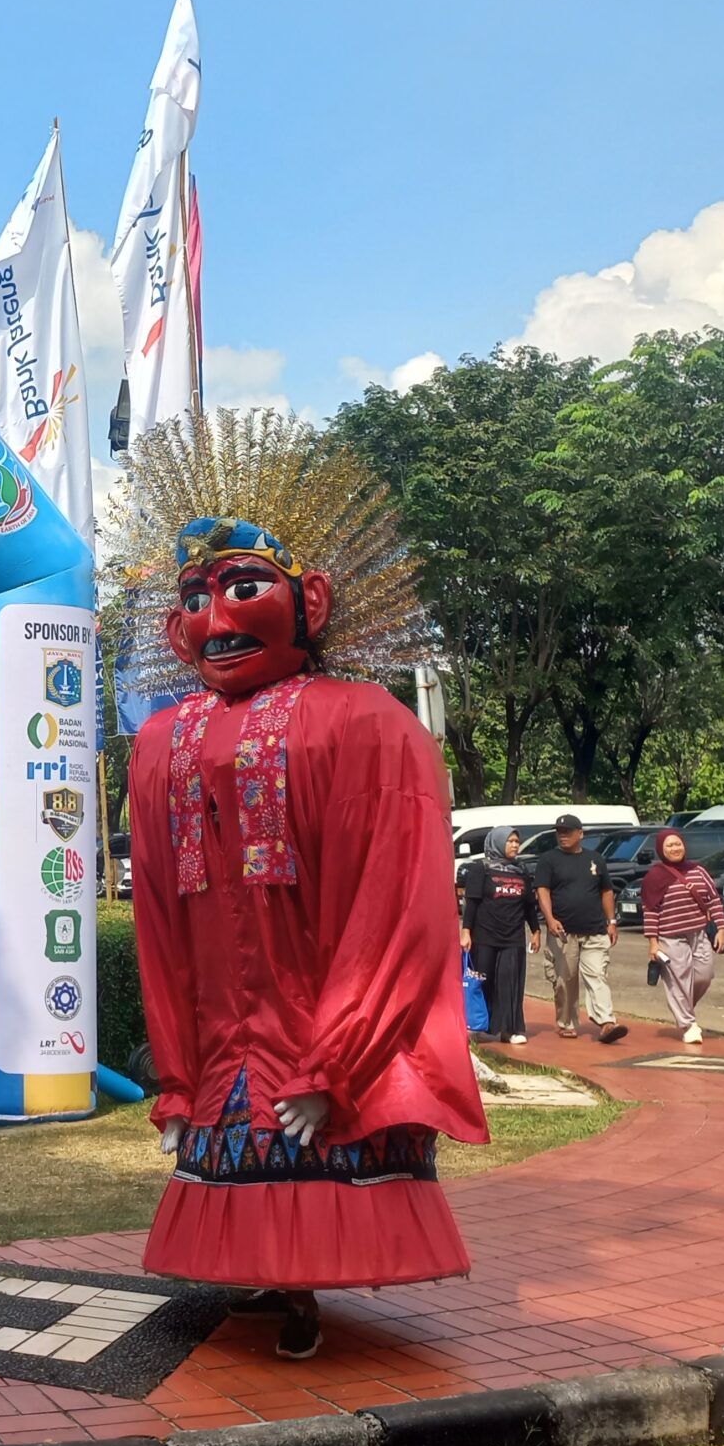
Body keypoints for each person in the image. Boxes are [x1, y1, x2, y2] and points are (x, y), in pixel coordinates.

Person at [114, 411, 487, 1361]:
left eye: (245, 588)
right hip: (221, 1032)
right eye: (195, 599)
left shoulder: (369, 723)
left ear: (308, 599)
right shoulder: (162, 742)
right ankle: (270, 1276)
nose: (217, 619)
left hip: (319, 1015)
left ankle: (303, 1291)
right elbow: (158, 919)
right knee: (239, 1144)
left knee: (306, 1139)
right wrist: (177, 1072)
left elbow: (395, 906)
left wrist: (337, 1060)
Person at [532, 814, 626, 1045]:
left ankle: (606, 1022)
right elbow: (542, 891)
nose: (563, 835)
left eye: (568, 831)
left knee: (597, 975)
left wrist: (611, 922)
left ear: (580, 834)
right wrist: (550, 919)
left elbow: (606, 891)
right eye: (559, 832)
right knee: (565, 980)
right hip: (563, 932)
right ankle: (567, 1023)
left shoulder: (595, 859)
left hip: (595, 930)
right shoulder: (548, 860)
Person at [639, 828, 724, 1043]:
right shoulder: (654, 877)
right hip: (670, 937)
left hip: (698, 933)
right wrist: (653, 943)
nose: (675, 848)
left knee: (705, 975)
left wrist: (722, 928)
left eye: (678, 844)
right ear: (661, 849)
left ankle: (683, 1007)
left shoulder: (698, 870)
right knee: (679, 980)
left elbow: (713, 900)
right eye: (669, 845)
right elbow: (650, 911)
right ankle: (689, 1025)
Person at [457, 827, 539, 1044]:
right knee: (481, 981)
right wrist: (466, 932)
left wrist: (536, 931)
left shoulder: (521, 871)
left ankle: (509, 1029)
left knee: (509, 983)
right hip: (485, 936)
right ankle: (477, 1025)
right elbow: (472, 903)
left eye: (517, 841)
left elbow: (529, 906)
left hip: (513, 937)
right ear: (498, 843)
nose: (515, 845)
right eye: (510, 841)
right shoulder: (481, 869)